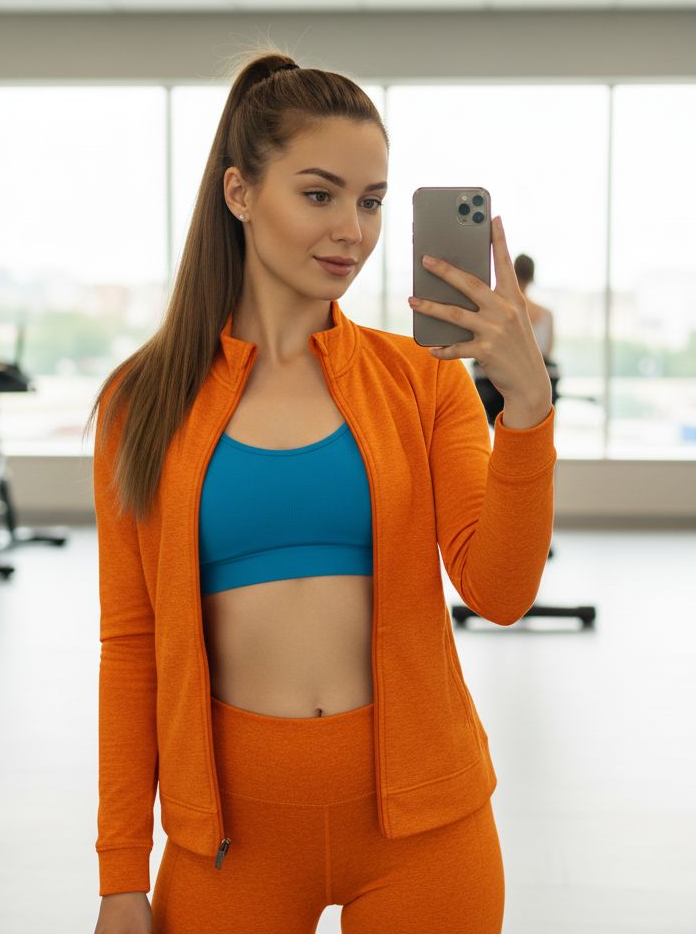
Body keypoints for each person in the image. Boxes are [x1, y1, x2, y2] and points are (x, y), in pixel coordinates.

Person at [87, 48, 556, 933]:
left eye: (372, 200)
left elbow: (501, 592)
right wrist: (120, 872)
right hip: (231, 838)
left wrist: (527, 411)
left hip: (427, 826)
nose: (353, 228)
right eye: (319, 194)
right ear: (239, 194)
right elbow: (130, 644)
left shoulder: (423, 381)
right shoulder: (140, 404)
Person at [472, 253, 561, 427]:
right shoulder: (546, 314)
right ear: (532, 276)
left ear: (514, 272)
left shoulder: (500, 312)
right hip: (536, 388)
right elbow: (547, 355)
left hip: (497, 388)